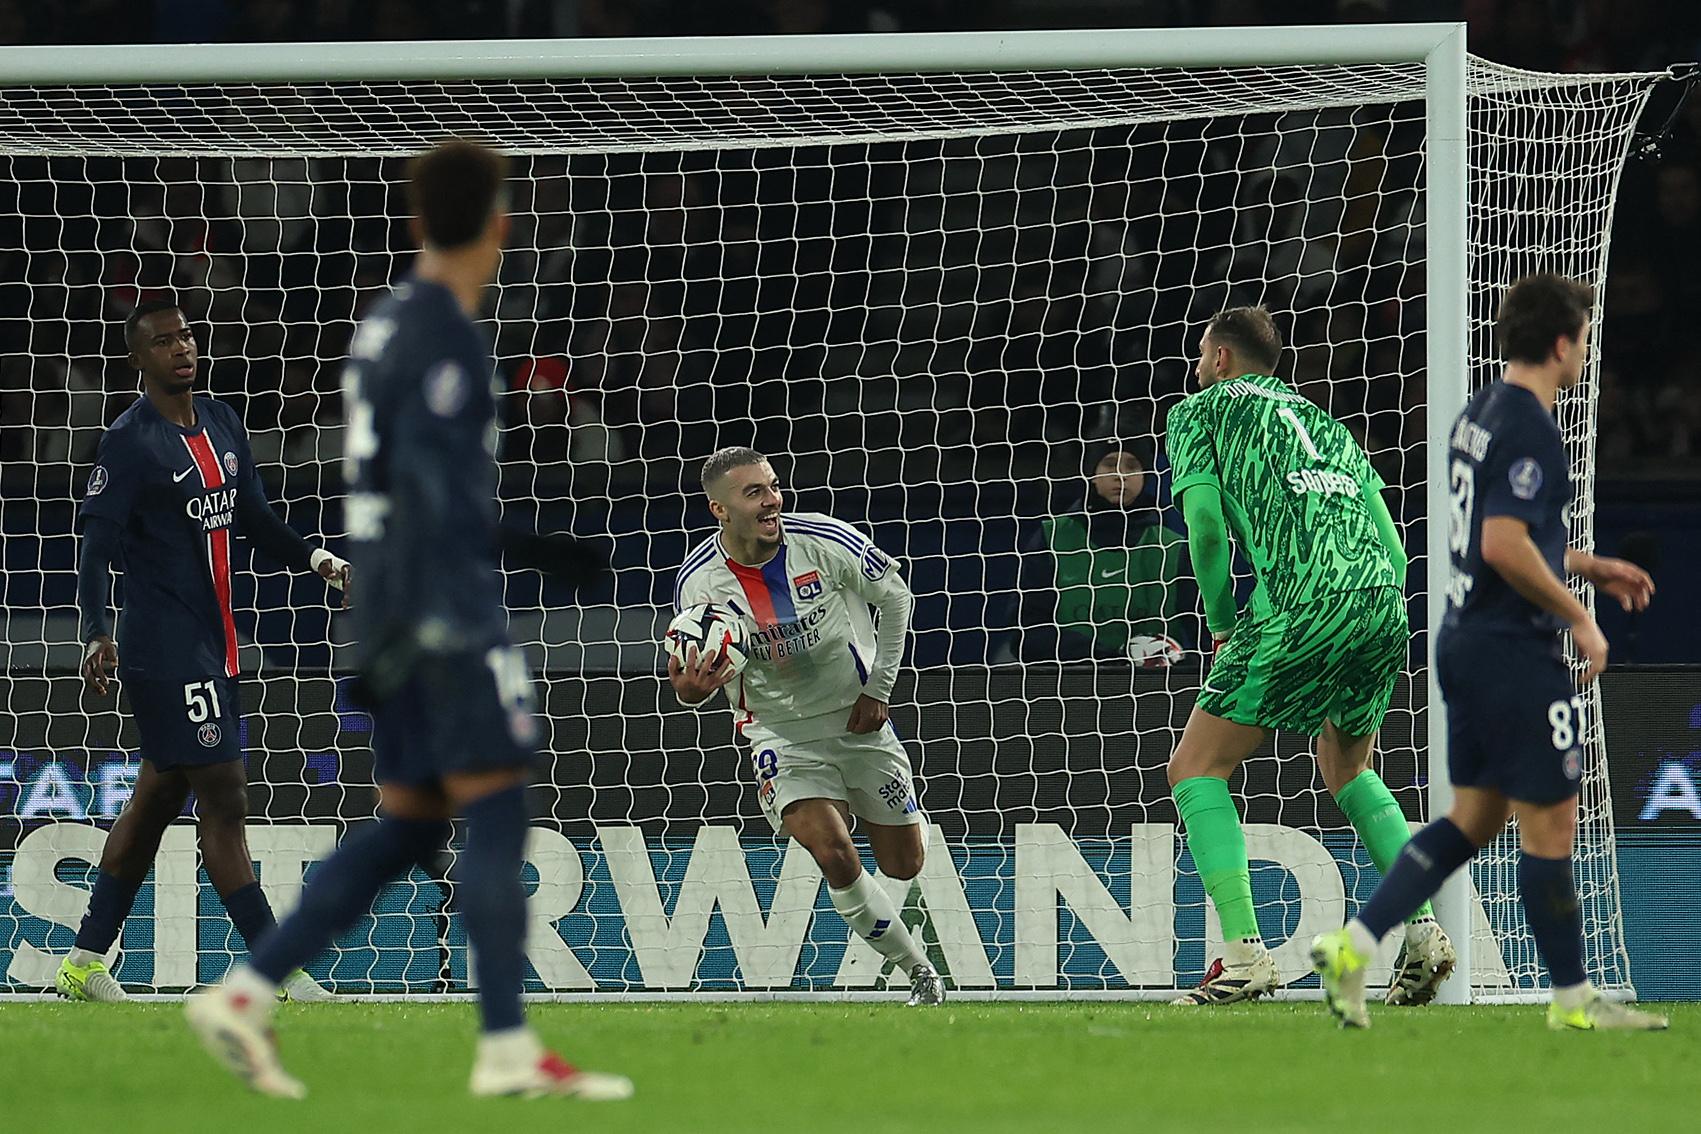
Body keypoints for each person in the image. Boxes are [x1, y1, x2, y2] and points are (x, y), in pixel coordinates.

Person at [183, 140, 633, 1099]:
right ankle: (507, 1047)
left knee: (409, 819)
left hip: (382, 605)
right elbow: (436, 488)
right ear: (503, 227)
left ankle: (246, 992)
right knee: (496, 804)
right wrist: (542, 548)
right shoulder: (442, 337)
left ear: (418, 218)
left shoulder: (384, 325)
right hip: (441, 611)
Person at [1311, 274, 1668, 1031]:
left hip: (1462, 639)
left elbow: (1504, 537)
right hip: (1512, 649)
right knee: (1550, 823)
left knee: (1470, 822)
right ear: (1562, 342)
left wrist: (1584, 565)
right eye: (1583, 336)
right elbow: (1502, 544)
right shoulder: (1532, 426)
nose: (1585, 350)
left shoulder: (1477, 413)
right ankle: (1572, 999)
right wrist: (1580, 616)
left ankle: (1354, 944)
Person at [1163, 305, 1454, 1006]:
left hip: (1304, 600)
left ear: (1222, 360)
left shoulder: (1199, 411)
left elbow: (1204, 531)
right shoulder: (1327, 425)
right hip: (1382, 600)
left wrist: (1224, 622)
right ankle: (1421, 930)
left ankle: (1242, 956)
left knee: (1194, 765)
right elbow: (1391, 546)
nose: (1198, 365)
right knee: (1346, 765)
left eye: (1202, 353)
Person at [61, 299, 347, 1005]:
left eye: (185, 335)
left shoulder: (221, 421)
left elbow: (251, 514)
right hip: (163, 647)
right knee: (224, 795)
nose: (180, 348)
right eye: (162, 342)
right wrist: (96, 630)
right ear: (139, 361)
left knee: (157, 800)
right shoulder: (129, 443)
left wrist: (314, 558)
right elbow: (95, 547)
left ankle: (82, 962)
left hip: (216, 645)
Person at [671, 446, 945, 1007]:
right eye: (754, 493)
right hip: (779, 734)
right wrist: (692, 692)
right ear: (718, 510)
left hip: (856, 721)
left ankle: (876, 823)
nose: (772, 499)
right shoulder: (700, 583)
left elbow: (896, 598)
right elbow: (686, 677)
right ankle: (920, 973)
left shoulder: (825, 540)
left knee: (903, 863)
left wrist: (879, 689)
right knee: (832, 849)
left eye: (772, 486)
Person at [1008, 442, 1190, 664]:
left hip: (1159, 691)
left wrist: (1178, 659)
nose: (1120, 475)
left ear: (1145, 476)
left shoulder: (1174, 548)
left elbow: (1201, 636)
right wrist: (1109, 658)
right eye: (1110, 464)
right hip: (1067, 688)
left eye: (1132, 466)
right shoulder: (1051, 538)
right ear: (1092, 475)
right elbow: (1025, 635)